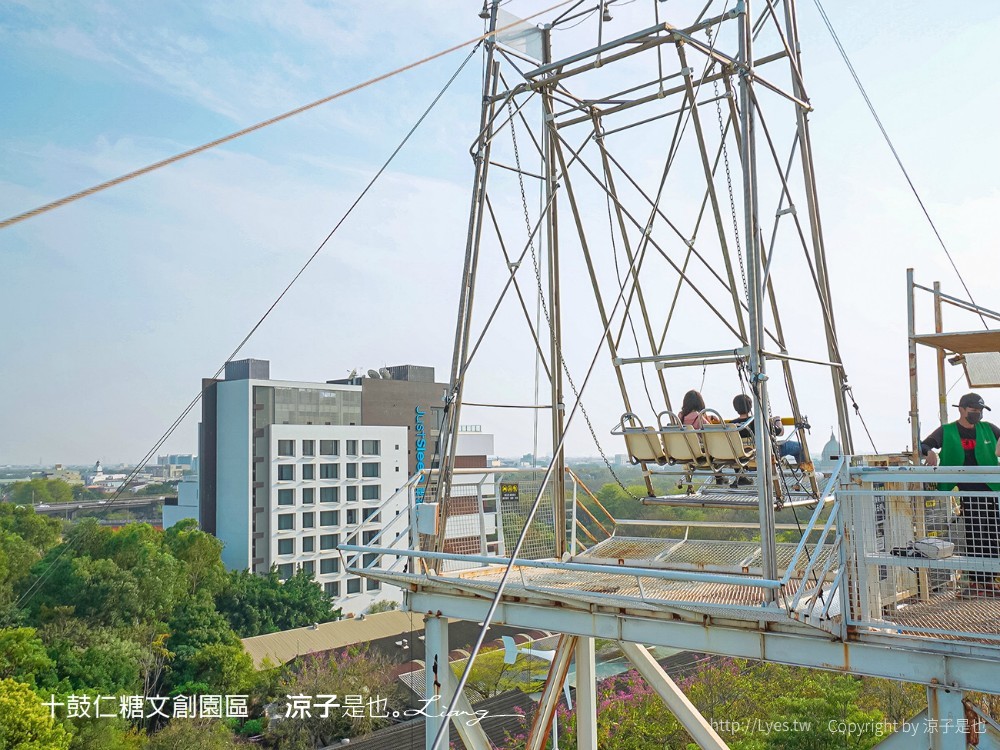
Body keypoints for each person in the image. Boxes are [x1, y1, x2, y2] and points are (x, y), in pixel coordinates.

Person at [920, 392, 1000, 596]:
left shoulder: (988, 428)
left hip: (991, 489)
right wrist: (929, 452)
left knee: (992, 536)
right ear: (962, 410)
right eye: (973, 410)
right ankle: (977, 582)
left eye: (980, 410)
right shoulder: (948, 431)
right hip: (968, 490)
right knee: (975, 535)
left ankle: (989, 581)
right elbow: (925, 444)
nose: (978, 413)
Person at [731, 393, 809, 467]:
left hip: (743, 455)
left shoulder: (731, 425)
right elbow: (780, 432)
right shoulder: (759, 421)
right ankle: (804, 469)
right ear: (750, 406)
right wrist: (778, 421)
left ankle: (741, 477)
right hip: (766, 452)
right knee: (800, 446)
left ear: (735, 408)